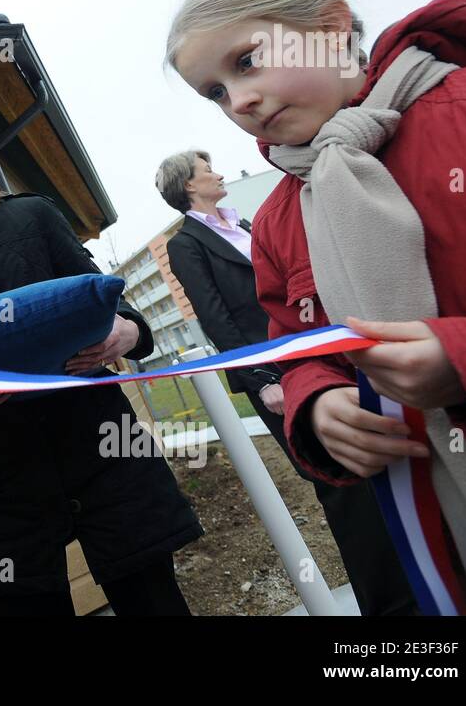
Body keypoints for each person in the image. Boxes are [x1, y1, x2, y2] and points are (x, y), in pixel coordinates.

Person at [168, 0, 466, 613]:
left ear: (329, 27)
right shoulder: (275, 220)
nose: (237, 101)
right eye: (214, 91)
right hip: (438, 543)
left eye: (247, 60)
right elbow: (300, 344)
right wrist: (317, 401)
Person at [0, 122, 201, 616]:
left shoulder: (32, 214)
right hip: (0, 476)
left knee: (154, 600)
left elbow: (108, 303)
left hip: (101, 447)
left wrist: (126, 333)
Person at [158, 149, 415, 614]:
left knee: (370, 466)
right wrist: (260, 380)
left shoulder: (246, 225)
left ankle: (416, 575)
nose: (217, 173)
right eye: (206, 170)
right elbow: (217, 319)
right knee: (340, 486)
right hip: (274, 377)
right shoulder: (186, 244)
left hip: (312, 360)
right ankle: (389, 605)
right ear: (189, 186)